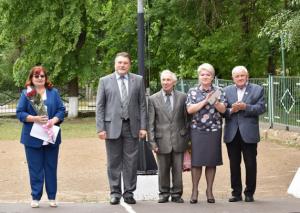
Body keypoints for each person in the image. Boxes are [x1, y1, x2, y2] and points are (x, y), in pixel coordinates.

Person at [96, 52, 147, 205]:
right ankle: (115, 192)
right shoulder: (104, 81)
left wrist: (143, 127)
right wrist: (100, 128)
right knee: (113, 162)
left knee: (131, 162)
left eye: (125, 63)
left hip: (132, 127)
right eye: (119, 62)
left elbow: (142, 106)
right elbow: (100, 106)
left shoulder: (138, 80)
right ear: (115, 64)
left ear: (129, 64)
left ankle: (129, 192)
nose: (122, 65)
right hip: (111, 127)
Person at [16, 66, 65, 208]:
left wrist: (53, 121)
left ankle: (52, 197)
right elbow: (20, 113)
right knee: (35, 169)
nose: (39, 78)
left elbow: (61, 110)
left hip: (51, 136)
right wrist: (34, 118)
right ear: (31, 78)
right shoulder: (27, 93)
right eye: (36, 76)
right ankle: (36, 197)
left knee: (51, 167)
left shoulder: (53, 92)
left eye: (42, 76)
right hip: (32, 138)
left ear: (46, 78)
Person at [223, 66, 265, 202]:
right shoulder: (226, 91)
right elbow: (222, 110)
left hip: (249, 133)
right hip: (232, 133)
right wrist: (231, 110)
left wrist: (245, 107)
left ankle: (249, 193)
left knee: (251, 164)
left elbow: (261, 108)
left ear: (247, 76)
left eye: (242, 75)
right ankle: (236, 193)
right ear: (233, 78)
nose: (240, 78)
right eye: (237, 76)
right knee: (234, 164)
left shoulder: (257, 89)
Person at [186, 63, 226, 204]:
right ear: (199, 76)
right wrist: (204, 101)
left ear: (212, 77)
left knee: (211, 161)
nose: (205, 77)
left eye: (208, 74)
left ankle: (209, 191)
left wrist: (214, 101)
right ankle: (195, 191)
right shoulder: (192, 91)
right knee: (196, 162)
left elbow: (223, 110)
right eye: (202, 74)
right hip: (197, 130)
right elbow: (190, 110)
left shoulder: (219, 90)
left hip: (214, 130)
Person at [148, 70, 189, 203]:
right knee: (163, 169)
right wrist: (152, 142)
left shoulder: (183, 97)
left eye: (168, 80)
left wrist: (187, 137)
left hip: (179, 139)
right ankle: (164, 193)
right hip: (161, 140)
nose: (165, 82)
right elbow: (151, 122)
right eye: (163, 80)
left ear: (174, 82)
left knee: (178, 169)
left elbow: (187, 118)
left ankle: (177, 194)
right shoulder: (153, 99)